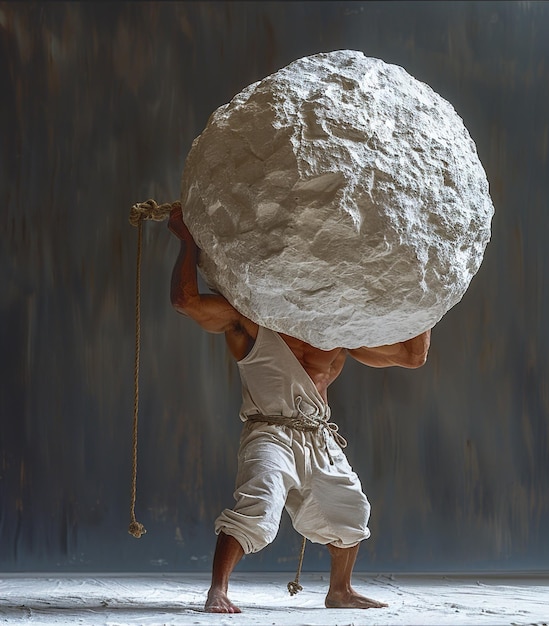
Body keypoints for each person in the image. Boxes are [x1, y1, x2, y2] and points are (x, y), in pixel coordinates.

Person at [168, 205, 431, 613]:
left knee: (349, 508)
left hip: (318, 436)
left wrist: (423, 286)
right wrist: (186, 239)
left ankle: (340, 591)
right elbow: (185, 301)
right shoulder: (251, 320)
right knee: (259, 500)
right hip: (269, 431)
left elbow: (413, 356)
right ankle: (218, 590)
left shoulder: (338, 334)